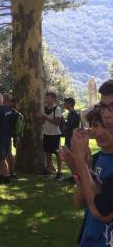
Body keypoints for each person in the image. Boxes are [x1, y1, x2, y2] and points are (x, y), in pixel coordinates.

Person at [62, 109, 113, 247]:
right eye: (96, 125)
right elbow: (79, 202)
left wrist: (79, 161)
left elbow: (103, 212)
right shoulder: (95, 159)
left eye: (107, 127)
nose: (100, 132)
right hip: (89, 238)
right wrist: (80, 167)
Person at [0, 93, 16, 184]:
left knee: (1, 158)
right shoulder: (9, 109)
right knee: (9, 154)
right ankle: (11, 173)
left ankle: (6, 177)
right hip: (7, 136)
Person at [39, 91, 63, 180]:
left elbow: (57, 123)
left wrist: (45, 117)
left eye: (48, 98)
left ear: (53, 99)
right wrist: (41, 117)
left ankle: (59, 173)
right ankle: (48, 171)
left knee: (57, 153)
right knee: (47, 152)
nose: (46, 99)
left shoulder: (57, 109)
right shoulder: (45, 108)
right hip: (46, 133)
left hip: (55, 134)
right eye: (46, 98)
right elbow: (42, 122)